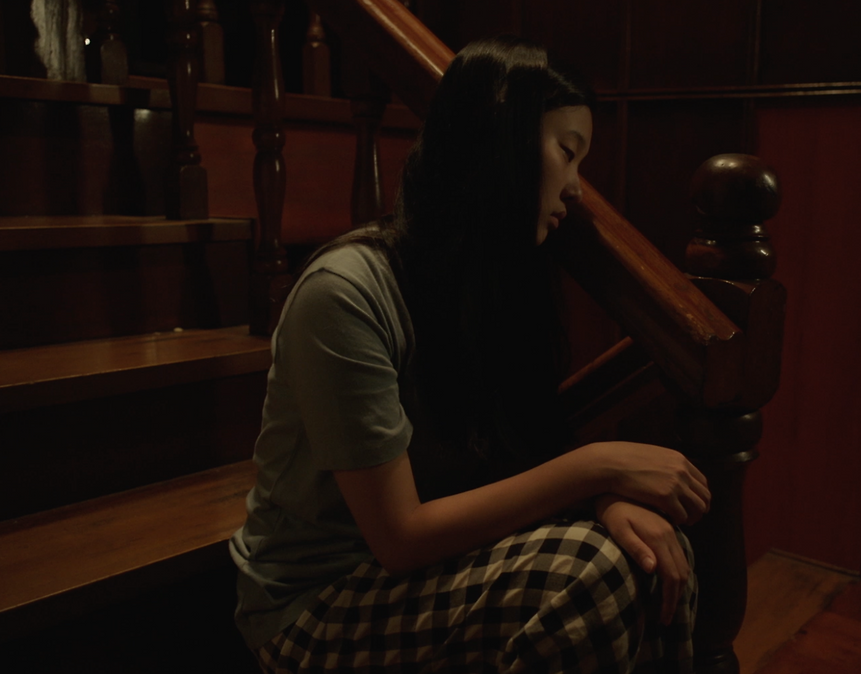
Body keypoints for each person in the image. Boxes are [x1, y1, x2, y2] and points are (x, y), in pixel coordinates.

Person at [230, 36, 710, 674]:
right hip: (317, 598)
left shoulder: (493, 286)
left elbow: (513, 462)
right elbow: (400, 537)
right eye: (567, 152)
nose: (575, 189)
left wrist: (605, 501)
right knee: (592, 575)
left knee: (653, 553)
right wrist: (597, 469)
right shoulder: (345, 292)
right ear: (502, 139)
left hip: (428, 572)